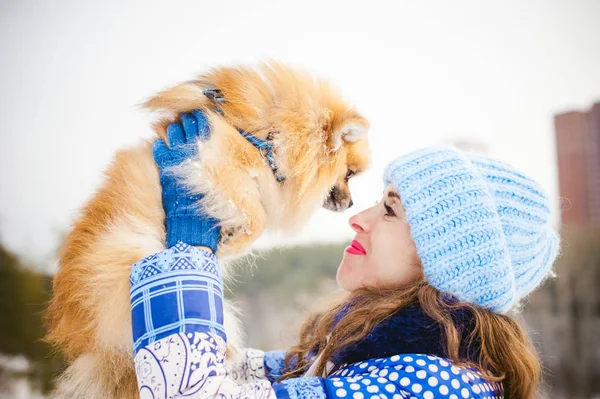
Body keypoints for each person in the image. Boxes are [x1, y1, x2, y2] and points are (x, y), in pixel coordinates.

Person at [129, 111, 559, 399]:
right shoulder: (361, 352)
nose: (359, 219)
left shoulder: (429, 386)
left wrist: (189, 253)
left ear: (445, 264)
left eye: (390, 209)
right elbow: (236, 375)